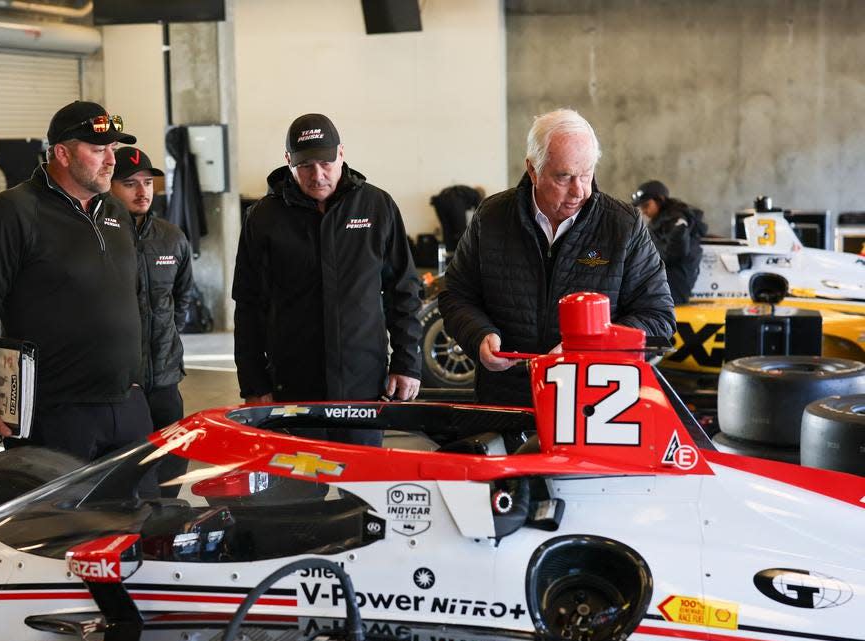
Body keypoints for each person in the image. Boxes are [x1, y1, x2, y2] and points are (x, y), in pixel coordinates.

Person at [0, 100, 152, 462]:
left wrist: (139, 377)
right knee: (59, 520)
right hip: (56, 412)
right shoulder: (13, 211)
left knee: (137, 517)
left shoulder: (115, 211)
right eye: (97, 150)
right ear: (62, 153)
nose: (111, 160)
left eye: (113, 149)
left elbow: (133, 298)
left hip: (127, 404)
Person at [439, 108, 675, 407]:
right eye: (564, 177)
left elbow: (658, 317)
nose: (579, 191)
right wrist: (478, 335)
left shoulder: (623, 226)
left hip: (594, 406)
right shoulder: (492, 218)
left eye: (587, 174)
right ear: (533, 169)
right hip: (505, 402)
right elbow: (455, 294)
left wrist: (587, 348)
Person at [232, 113, 422, 442]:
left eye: (326, 163)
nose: (317, 175)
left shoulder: (377, 206)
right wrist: (254, 384)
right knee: (301, 490)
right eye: (305, 165)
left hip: (362, 385)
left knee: (365, 488)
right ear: (288, 161)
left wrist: (407, 363)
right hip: (293, 388)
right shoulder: (263, 218)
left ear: (342, 154)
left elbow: (402, 291)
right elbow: (248, 306)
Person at [109, 146, 194, 434]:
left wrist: (168, 334)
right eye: (129, 183)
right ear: (108, 185)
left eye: (147, 182)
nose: (142, 191)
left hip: (165, 377)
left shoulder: (172, 237)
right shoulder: (98, 237)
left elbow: (182, 297)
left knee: (170, 463)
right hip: (117, 384)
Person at [631, 180, 706, 305]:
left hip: (675, 283)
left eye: (646, 205)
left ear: (660, 200)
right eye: (641, 207)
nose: (643, 211)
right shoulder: (661, 221)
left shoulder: (676, 220)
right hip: (666, 280)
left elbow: (675, 253)